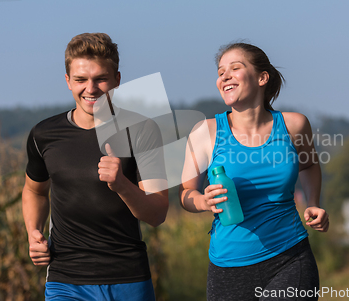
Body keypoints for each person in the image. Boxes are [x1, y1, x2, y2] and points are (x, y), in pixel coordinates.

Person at [22, 33, 169, 301]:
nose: (91, 88)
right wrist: (34, 231)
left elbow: (157, 213)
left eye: (100, 78)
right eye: (80, 79)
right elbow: (35, 191)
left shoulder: (142, 131)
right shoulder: (43, 134)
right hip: (65, 280)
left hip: (127, 278)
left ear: (117, 80)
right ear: (67, 81)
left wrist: (122, 185)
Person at [179, 42, 329, 301]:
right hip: (228, 266)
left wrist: (313, 202)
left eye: (235, 68)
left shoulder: (294, 125)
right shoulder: (205, 131)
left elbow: (309, 164)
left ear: (262, 77)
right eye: (220, 71)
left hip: (290, 256)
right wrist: (203, 201)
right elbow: (186, 193)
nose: (224, 76)